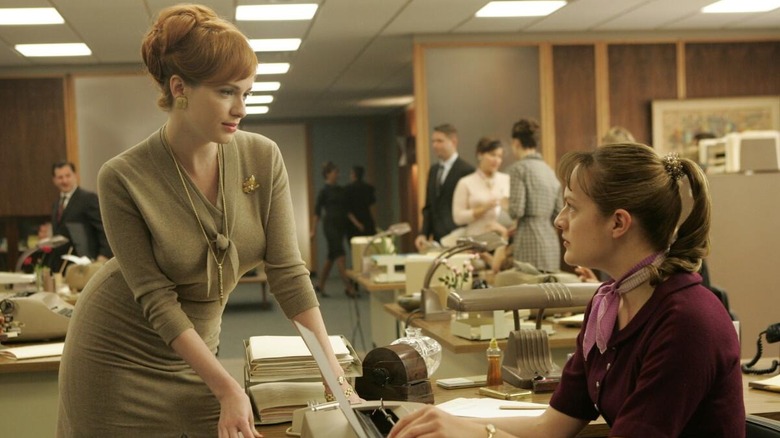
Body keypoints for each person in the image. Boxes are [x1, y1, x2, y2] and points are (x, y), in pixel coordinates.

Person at [56, 5, 359, 437]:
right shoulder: (123, 177)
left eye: (247, 93)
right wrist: (226, 387)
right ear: (180, 88)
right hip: (118, 353)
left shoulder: (262, 156)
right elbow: (156, 299)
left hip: (198, 353)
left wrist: (338, 381)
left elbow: (289, 275)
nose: (242, 108)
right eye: (226, 92)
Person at [388, 143, 744, 438]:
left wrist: (483, 435)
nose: (559, 220)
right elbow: (551, 426)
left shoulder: (687, 322)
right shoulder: (607, 306)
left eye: (572, 206)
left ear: (618, 222)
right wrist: (455, 425)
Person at [506, 118, 562, 272]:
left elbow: (517, 210)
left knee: (529, 291)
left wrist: (506, 204)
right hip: (550, 243)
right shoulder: (549, 171)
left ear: (516, 143)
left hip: (528, 239)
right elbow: (558, 213)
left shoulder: (519, 169)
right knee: (550, 292)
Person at [415, 123, 475, 251]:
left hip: (457, 237)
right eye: (433, 141)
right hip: (437, 238)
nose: (435, 145)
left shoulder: (466, 170)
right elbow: (429, 207)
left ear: (453, 142)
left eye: (440, 141)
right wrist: (423, 233)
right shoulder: (434, 170)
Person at [49, 161, 112, 272]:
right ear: (54, 180)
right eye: (60, 177)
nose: (64, 180)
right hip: (62, 266)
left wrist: (103, 255)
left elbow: (103, 228)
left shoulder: (88, 199)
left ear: (75, 175)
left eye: (68, 176)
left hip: (85, 264)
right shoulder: (56, 204)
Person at [311, 161, 358, 298]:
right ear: (328, 174)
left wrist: (356, 222)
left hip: (341, 225)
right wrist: (313, 230)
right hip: (330, 225)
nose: (337, 175)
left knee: (332, 256)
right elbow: (317, 212)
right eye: (335, 172)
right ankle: (349, 288)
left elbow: (347, 210)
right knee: (340, 256)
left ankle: (320, 285)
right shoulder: (324, 192)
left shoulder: (340, 190)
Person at [452, 137, 510, 238]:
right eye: (492, 155)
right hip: (476, 240)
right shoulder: (465, 182)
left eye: (500, 156)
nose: (496, 160)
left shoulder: (507, 180)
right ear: (480, 155)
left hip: (503, 240)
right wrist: (483, 209)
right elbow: (458, 218)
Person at [344, 165, 376, 239]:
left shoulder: (347, 190)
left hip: (352, 225)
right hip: (367, 220)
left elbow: (347, 210)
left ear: (354, 175)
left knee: (355, 247)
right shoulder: (369, 188)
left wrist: (357, 224)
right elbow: (372, 206)